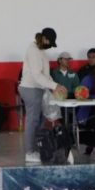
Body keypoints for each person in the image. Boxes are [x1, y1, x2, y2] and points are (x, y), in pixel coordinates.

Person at [20, 27, 65, 164]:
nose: (50, 46)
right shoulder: (33, 50)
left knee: (39, 121)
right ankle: (29, 152)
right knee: (32, 121)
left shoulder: (41, 51)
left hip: (38, 88)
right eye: (49, 42)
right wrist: (54, 86)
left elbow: (45, 75)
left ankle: (36, 149)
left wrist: (55, 86)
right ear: (44, 38)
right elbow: (37, 75)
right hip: (30, 88)